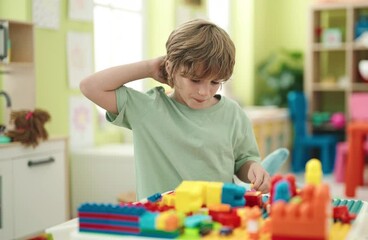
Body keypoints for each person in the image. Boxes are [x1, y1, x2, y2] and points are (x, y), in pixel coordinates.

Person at [80, 19, 273, 199]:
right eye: (194, 80)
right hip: (159, 225)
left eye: (215, 82)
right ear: (170, 68)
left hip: (217, 221)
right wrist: (149, 67)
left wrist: (253, 168)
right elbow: (90, 86)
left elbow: (243, 161)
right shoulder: (147, 108)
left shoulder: (232, 113)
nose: (204, 91)